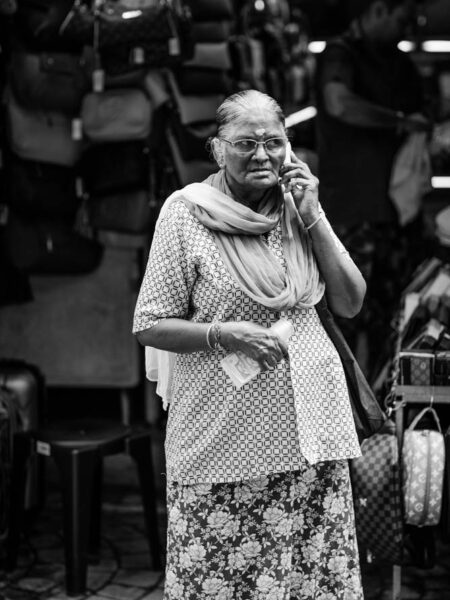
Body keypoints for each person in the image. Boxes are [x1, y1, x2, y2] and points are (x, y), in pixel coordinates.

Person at [133, 89, 366, 600]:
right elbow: (150, 323)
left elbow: (350, 301)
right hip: (225, 441)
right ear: (218, 149)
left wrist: (314, 214)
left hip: (312, 441)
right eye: (246, 143)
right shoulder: (186, 214)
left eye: (274, 142)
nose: (262, 154)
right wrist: (222, 334)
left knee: (308, 582)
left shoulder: (297, 209)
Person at [315, 0, 432, 380]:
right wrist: (398, 122)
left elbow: (426, 115)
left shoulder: (399, 64)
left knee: (391, 322)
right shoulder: (340, 55)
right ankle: (344, 412)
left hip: (396, 215)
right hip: (353, 212)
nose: (407, 29)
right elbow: (339, 103)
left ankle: (380, 411)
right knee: (346, 320)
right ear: (379, 9)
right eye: (402, 18)